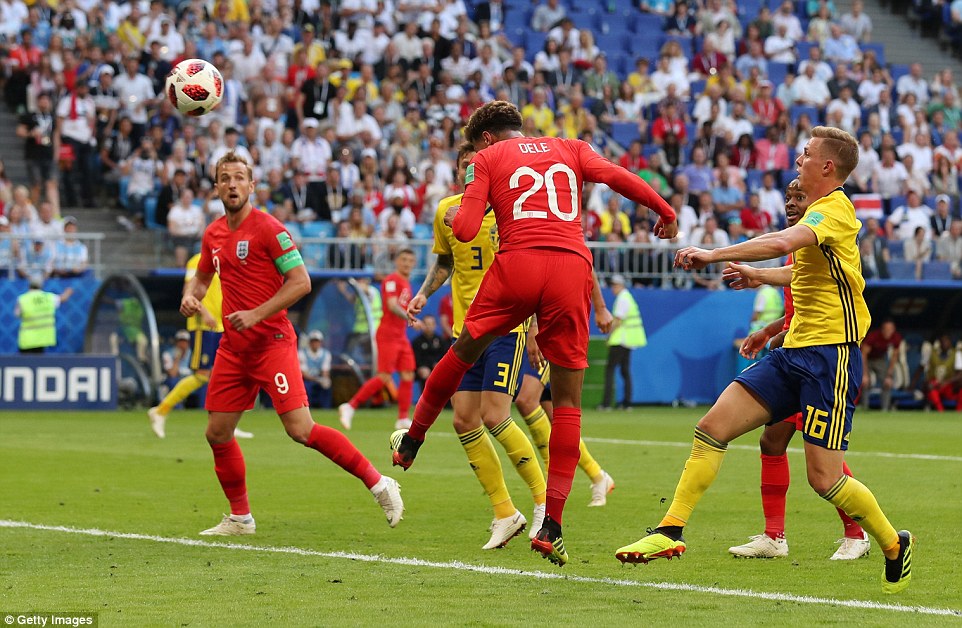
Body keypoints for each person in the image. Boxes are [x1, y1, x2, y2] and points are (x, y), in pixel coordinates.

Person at [616, 127, 914, 595]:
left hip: (829, 358)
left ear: (827, 167)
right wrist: (757, 275)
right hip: (792, 352)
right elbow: (799, 268)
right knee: (712, 428)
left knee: (824, 479)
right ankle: (670, 530)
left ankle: (892, 544)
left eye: (807, 154)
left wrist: (714, 254)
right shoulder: (819, 213)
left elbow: (782, 243)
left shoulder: (835, 209)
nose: (799, 159)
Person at [392, 100, 678, 566]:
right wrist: (664, 211)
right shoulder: (570, 146)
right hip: (570, 268)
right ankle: (553, 526)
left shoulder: (486, 159)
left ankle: (413, 439)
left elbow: (464, 231)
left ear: (485, 138)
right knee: (566, 403)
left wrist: (470, 191)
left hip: (518, 265)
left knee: (462, 352)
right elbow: (618, 176)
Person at [180, 152, 403, 536]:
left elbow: (301, 281)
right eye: (224, 178)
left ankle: (379, 482)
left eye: (239, 178)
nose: (232, 184)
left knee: (301, 429)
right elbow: (201, 277)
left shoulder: (269, 229)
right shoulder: (213, 233)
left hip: (272, 343)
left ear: (252, 186)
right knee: (217, 432)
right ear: (216, 187)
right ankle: (240, 518)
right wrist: (191, 295)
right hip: (234, 349)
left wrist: (256, 314)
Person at [405, 141, 549, 550]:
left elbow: (530, 268)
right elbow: (446, 261)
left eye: (479, 164)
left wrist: (536, 328)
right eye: (468, 166)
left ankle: (543, 506)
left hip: (507, 326)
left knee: (494, 415)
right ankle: (505, 512)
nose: (474, 171)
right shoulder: (445, 211)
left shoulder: (510, 209)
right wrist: (423, 294)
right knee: (463, 419)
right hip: (464, 332)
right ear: (459, 171)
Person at [720, 179, 870, 561]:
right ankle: (775, 536)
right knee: (773, 442)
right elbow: (798, 311)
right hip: (795, 356)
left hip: (820, 363)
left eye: (799, 197)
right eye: (788, 198)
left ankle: (859, 533)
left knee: (822, 460)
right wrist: (770, 331)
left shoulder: (826, 246)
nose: (791, 203)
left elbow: (826, 313)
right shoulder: (799, 256)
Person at [149, 253, 254, 440]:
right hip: (203, 326)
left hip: (223, 325)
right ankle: (161, 411)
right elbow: (188, 290)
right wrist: (203, 312)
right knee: (201, 375)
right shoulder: (197, 260)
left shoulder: (227, 257)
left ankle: (224, 423)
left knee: (224, 375)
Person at [338, 249, 420, 431]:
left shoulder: (406, 283)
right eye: (404, 259)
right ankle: (350, 406)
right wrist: (408, 316)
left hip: (400, 336)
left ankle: (402, 418)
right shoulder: (392, 280)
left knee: (408, 374)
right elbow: (391, 306)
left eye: (410, 260)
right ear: (397, 261)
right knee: (384, 377)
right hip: (388, 335)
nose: (407, 263)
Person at [600, 274, 646, 410]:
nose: (612, 288)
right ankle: (627, 403)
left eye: (614, 285)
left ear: (621, 285)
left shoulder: (622, 298)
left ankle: (606, 404)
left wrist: (608, 336)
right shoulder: (627, 297)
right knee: (625, 371)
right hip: (628, 340)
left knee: (610, 370)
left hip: (621, 339)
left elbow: (617, 321)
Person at [15, 278, 73, 353]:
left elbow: (17, 314)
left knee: (25, 363)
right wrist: (68, 292)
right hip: (43, 338)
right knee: (39, 363)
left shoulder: (23, 299)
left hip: (27, 339)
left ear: (29, 286)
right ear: (41, 286)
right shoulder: (49, 297)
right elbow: (62, 298)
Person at [860, 318, 903, 411]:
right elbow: (863, 354)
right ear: (882, 329)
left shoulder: (896, 337)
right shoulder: (873, 336)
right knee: (866, 382)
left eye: (890, 329)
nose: (888, 332)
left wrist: (889, 375)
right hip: (866, 359)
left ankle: (885, 409)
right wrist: (865, 374)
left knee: (887, 383)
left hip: (879, 359)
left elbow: (894, 357)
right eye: (886, 329)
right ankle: (864, 407)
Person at [300, 330, 333, 409]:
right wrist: (317, 379)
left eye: (317, 341)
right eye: (313, 341)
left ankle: (325, 408)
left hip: (318, 379)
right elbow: (304, 373)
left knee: (326, 386)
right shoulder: (302, 353)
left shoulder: (326, 354)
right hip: (307, 380)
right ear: (309, 342)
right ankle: (307, 408)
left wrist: (324, 379)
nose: (315, 344)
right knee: (306, 388)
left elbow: (325, 371)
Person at [411, 314, 445, 388]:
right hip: (423, 368)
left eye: (431, 324)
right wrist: (421, 367)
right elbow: (416, 358)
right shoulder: (417, 342)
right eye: (426, 324)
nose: (429, 326)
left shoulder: (441, 340)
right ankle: (425, 398)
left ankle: (444, 399)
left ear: (435, 325)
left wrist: (438, 365)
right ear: (422, 325)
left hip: (437, 367)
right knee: (425, 373)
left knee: (443, 373)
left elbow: (444, 356)